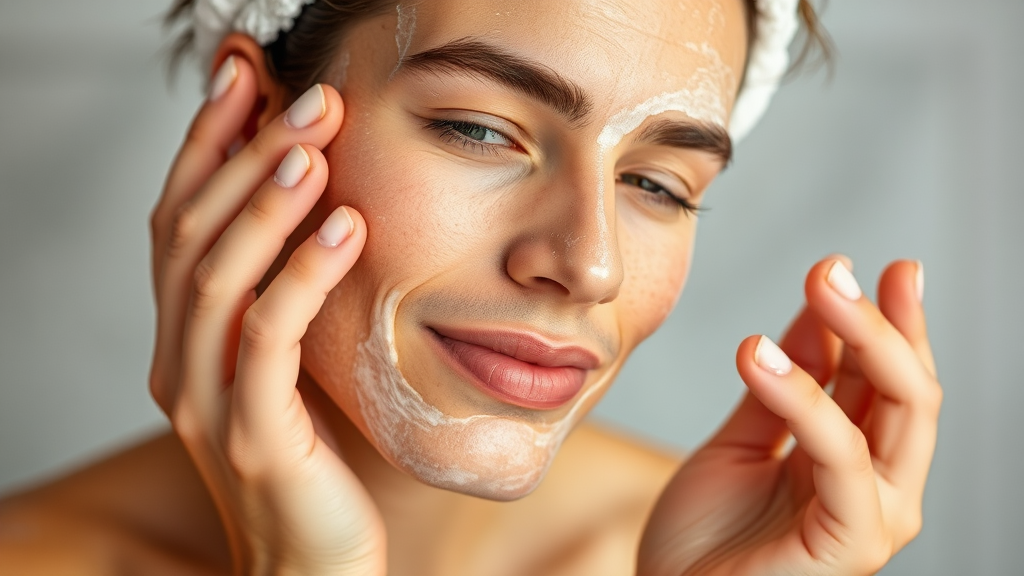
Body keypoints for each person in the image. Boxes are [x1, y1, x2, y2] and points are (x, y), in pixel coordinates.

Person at [0, 0, 942, 574]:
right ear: (252, 124)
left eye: (659, 185)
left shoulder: (746, 560)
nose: (590, 265)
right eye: (481, 130)